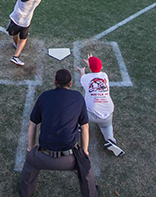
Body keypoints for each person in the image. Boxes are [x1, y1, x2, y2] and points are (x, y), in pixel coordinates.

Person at [20, 69, 98, 197]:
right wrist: (85, 152)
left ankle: (25, 193)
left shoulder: (44, 96)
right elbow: (84, 127)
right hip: (70, 158)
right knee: (86, 169)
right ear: (71, 83)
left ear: (55, 82)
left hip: (42, 156)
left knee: (29, 165)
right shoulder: (78, 97)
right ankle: (91, 194)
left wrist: (30, 148)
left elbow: (32, 124)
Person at [75, 54, 123, 157]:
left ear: (90, 68)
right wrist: (91, 63)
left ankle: (79, 126)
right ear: (101, 67)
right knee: (107, 126)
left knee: (78, 108)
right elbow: (96, 71)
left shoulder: (86, 78)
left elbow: (83, 76)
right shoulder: (104, 76)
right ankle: (110, 139)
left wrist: (82, 71)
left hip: (90, 113)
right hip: (108, 111)